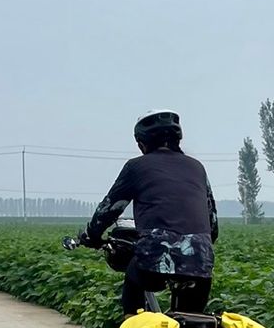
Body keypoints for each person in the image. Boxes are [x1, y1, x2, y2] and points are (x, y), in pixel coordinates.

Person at [79, 110, 219, 316]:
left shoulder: (136, 166)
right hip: (201, 258)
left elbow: (109, 209)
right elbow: (212, 224)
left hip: (154, 256)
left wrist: (92, 235)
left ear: (142, 143)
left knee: (133, 288)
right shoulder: (197, 167)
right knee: (192, 319)